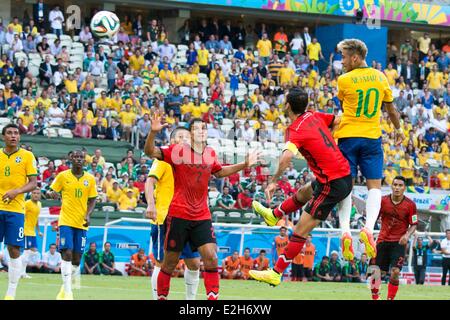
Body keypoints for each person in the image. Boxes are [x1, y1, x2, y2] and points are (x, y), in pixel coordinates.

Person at [144, 115, 260, 300]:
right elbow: (150, 152)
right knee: (169, 263)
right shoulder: (177, 151)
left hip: (201, 216)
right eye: (197, 128)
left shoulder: (210, 153)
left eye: (204, 128)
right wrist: (153, 132)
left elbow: (220, 171)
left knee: (211, 258)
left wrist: (244, 164)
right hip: (178, 214)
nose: (201, 131)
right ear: (190, 134)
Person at [249, 88, 352, 287]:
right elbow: (338, 120)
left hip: (332, 183)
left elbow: (287, 156)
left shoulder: (295, 129)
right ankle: (274, 214)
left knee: (299, 230)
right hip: (338, 173)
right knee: (304, 191)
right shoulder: (313, 115)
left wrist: (273, 181)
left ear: (287, 105)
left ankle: (276, 273)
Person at [334, 39, 404, 261]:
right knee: (375, 186)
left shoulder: (344, 80)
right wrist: (399, 129)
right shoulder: (381, 77)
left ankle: (345, 230)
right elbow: (391, 110)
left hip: (348, 138)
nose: (342, 61)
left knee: (347, 185)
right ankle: (368, 228)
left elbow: (343, 106)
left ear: (355, 57)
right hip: (372, 138)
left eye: (344, 57)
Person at [145, 126, 202, 300]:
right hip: (165, 219)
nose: (185, 139)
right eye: (181, 136)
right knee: (162, 263)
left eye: (187, 137)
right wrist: (151, 205)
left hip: (188, 218)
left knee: (194, 263)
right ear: (172, 141)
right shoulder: (163, 160)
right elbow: (149, 182)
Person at [48, 150, 98, 300]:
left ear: (85, 160)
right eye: (75, 157)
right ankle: (69, 293)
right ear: (71, 158)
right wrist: (53, 194)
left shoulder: (90, 179)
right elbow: (51, 191)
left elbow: (93, 199)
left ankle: (64, 287)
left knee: (76, 259)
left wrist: (88, 215)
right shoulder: (63, 176)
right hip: (66, 221)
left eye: (81, 157)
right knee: (67, 253)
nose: (78, 159)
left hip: (81, 223)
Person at [0, 124, 38, 299]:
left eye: (16, 133)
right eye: (9, 133)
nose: (13, 136)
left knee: (14, 249)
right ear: (3, 137)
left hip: (16, 210)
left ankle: (11, 293)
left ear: (20, 137)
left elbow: (33, 183)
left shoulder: (27, 156)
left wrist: (16, 191)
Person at [368, 176, 417, 300]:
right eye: (395, 185)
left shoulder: (410, 205)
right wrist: (367, 231)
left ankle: (390, 298)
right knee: (376, 272)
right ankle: (375, 297)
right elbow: (373, 216)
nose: (397, 188)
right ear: (391, 186)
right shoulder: (382, 201)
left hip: (399, 243)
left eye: (400, 185)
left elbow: (414, 224)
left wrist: (407, 235)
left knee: (395, 272)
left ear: (404, 188)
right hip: (382, 240)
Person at [21, 187, 42, 279]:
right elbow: (22, 216)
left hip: (32, 232)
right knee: (27, 252)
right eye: (34, 193)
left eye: (38, 193)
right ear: (31, 194)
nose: (36, 194)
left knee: (33, 251)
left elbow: (36, 218)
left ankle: (21, 271)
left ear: (40, 195)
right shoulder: (27, 203)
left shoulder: (39, 204)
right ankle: (20, 272)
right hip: (26, 231)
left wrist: (39, 231)